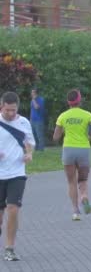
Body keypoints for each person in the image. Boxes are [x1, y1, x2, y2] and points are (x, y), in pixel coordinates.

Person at [0, 92, 35, 261]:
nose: (11, 114)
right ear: (2, 106)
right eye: (7, 110)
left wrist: (29, 154)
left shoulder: (23, 123)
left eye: (13, 110)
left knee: (13, 209)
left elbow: (29, 143)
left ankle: (9, 248)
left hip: (17, 173)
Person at [53, 90, 91, 221]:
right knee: (82, 180)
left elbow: (55, 137)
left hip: (69, 150)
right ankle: (84, 196)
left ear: (68, 102)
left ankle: (76, 211)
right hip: (84, 149)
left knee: (71, 182)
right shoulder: (88, 115)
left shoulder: (62, 116)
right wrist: (88, 137)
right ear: (80, 100)